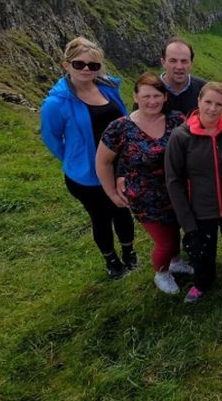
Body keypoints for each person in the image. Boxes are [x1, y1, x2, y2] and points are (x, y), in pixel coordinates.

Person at [40, 36, 135, 279]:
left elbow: (123, 122)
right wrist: (74, 161)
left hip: (118, 167)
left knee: (122, 210)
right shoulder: (56, 103)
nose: (86, 70)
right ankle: (112, 261)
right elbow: (52, 139)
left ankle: (129, 252)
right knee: (101, 218)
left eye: (93, 65)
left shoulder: (108, 88)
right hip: (86, 176)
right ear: (66, 65)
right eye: (79, 64)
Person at [96, 73, 193, 295]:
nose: (152, 101)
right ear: (135, 96)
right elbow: (103, 162)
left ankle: (175, 262)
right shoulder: (119, 128)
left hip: (178, 192)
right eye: (146, 96)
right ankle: (162, 273)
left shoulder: (177, 120)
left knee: (175, 231)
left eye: (157, 96)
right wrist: (111, 193)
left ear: (165, 97)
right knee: (165, 241)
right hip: (145, 197)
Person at [165, 82, 222, 304]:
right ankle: (201, 282)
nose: (213, 109)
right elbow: (173, 180)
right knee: (202, 248)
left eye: (219, 104)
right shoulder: (181, 136)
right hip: (200, 206)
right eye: (208, 102)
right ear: (198, 102)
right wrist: (187, 220)